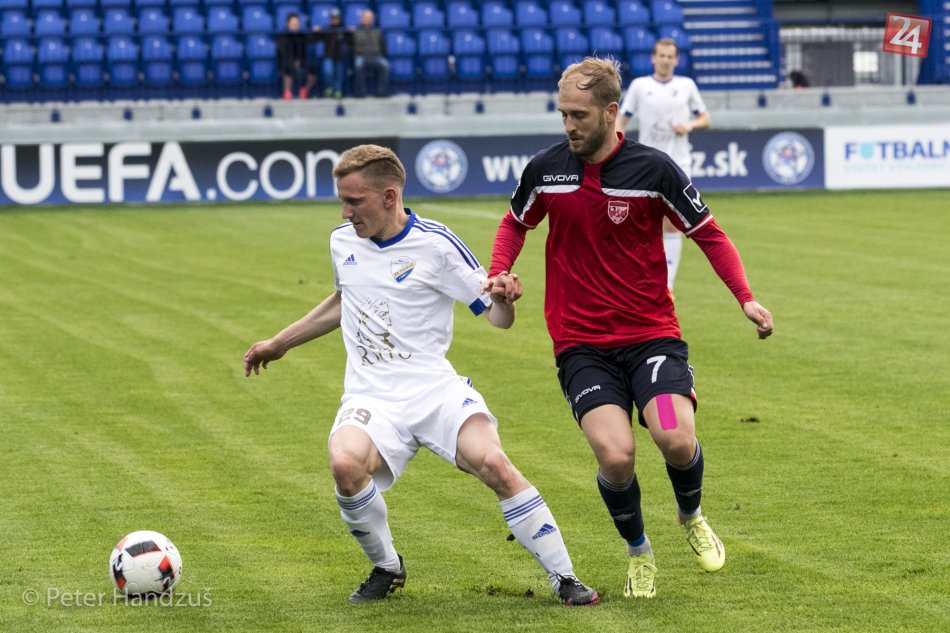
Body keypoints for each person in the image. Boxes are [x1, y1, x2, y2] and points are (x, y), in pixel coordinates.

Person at [243, 145, 599, 607]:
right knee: (345, 463)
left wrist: (504, 299)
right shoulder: (342, 241)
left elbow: (497, 317)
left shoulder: (437, 244)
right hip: (372, 394)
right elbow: (344, 299)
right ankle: (387, 566)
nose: (345, 212)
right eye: (343, 201)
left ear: (389, 196)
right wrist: (280, 342)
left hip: (434, 390)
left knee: (493, 463)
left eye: (354, 201)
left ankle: (565, 577)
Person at [486, 58, 773, 599]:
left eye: (578, 115)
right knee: (616, 457)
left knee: (675, 438)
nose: (568, 125)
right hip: (582, 346)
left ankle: (691, 515)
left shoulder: (655, 169)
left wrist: (746, 298)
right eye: (563, 114)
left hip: (650, 338)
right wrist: (499, 270)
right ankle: (639, 552)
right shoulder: (545, 169)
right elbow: (514, 222)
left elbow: (709, 234)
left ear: (610, 112)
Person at [616, 39, 710, 292]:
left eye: (670, 56)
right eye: (662, 55)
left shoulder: (686, 85)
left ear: (676, 60)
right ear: (653, 58)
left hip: (678, 163)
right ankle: (641, 277)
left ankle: (667, 284)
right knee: (642, 222)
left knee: (671, 222)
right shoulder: (640, 86)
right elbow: (621, 119)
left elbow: (705, 118)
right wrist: (618, 145)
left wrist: (689, 125)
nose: (666, 60)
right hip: (645, 164)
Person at [276, 12, 318, 100]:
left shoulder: (301, 34)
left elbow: (310, 41)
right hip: (287, 60)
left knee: (314, 68)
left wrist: (315, 33)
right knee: (287, 66)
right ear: (288, 23)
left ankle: (305, 90)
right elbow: (282, 51)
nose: (296, 24)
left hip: (301, 60)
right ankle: (287, 92)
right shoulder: (283, 35)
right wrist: (293, 61)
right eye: (293, 23)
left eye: (297, 23)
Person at [351, 9, 389, 98]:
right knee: (358, 65)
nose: (368, 19)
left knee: (385, 65)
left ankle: (381, 92)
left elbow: (383, 45)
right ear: (361, 18)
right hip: (361, 56)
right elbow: (350, 45)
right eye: (366, 17)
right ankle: (360, 93)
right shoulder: (355, 31)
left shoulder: (377, 31)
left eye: (370, 18)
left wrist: (383, 55)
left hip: (376, 56)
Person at [314, 9, 350, 99]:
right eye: (333, 18)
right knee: (328, 73)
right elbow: (315, 39)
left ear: (340, 19)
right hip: (328, 56)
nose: (334, 20)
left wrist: (350, 33)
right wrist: (316, 32)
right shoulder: (326, 29)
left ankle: (337, 90)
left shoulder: (343, 30)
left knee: (339, 75)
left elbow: (349, 41)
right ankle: (329, 88)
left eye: (336, 18)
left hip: (339, 57)